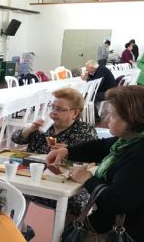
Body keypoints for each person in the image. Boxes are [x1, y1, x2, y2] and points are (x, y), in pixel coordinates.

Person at [47, 85, 144, 242]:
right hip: (130, 215)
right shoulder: (130, 141)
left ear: (132, 119)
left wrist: (87, 179)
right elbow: (101, 146)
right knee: (76, 227)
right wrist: (68, 151)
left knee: (74, 235)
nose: (106, 118)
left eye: (113, 115)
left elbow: (117, 201)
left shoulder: (142, 153)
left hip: (135, 225)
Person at [11, 87, 97, 220]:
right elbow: (16, 139)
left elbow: (92, 160)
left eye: (60, 109)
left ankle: (68, 236)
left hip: (65, 182)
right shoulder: (44, 127)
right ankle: (18, 229)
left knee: (74, 202)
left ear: (74, 113)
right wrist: (29, 129)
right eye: (53, 107)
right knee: (9, 191)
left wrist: (70, 151)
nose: (54, 112)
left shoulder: (84, 131)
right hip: (33, 179)